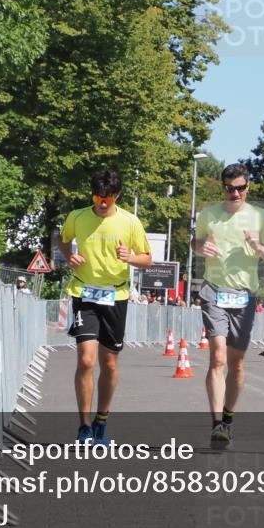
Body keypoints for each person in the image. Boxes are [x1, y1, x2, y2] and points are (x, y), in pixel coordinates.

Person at [57, 169, 152, 444]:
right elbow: (61, 239)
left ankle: (101, 421)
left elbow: (148, 259)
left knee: (108, 364)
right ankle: (84, 427)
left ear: (117, 196)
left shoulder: (130, 222)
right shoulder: (77, 216)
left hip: (115, 297)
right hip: (83, 293)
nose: (101, 203)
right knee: (86, 360)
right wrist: (69, 255)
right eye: (98, 197)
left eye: (107, 199)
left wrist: (130, 257)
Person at [194, 163, 264, 449]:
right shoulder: (209, 214)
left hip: (245, 295)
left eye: (240, 188)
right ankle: (217, 424)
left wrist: (259, 248)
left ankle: (229, 419)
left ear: (248, 187)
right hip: (213, 291)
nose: (235, 194)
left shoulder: (260, 216)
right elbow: (196, 243)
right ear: (224, 188)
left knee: (237, 363)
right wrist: (200, 246)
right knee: (218, 357)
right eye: (230, 189)